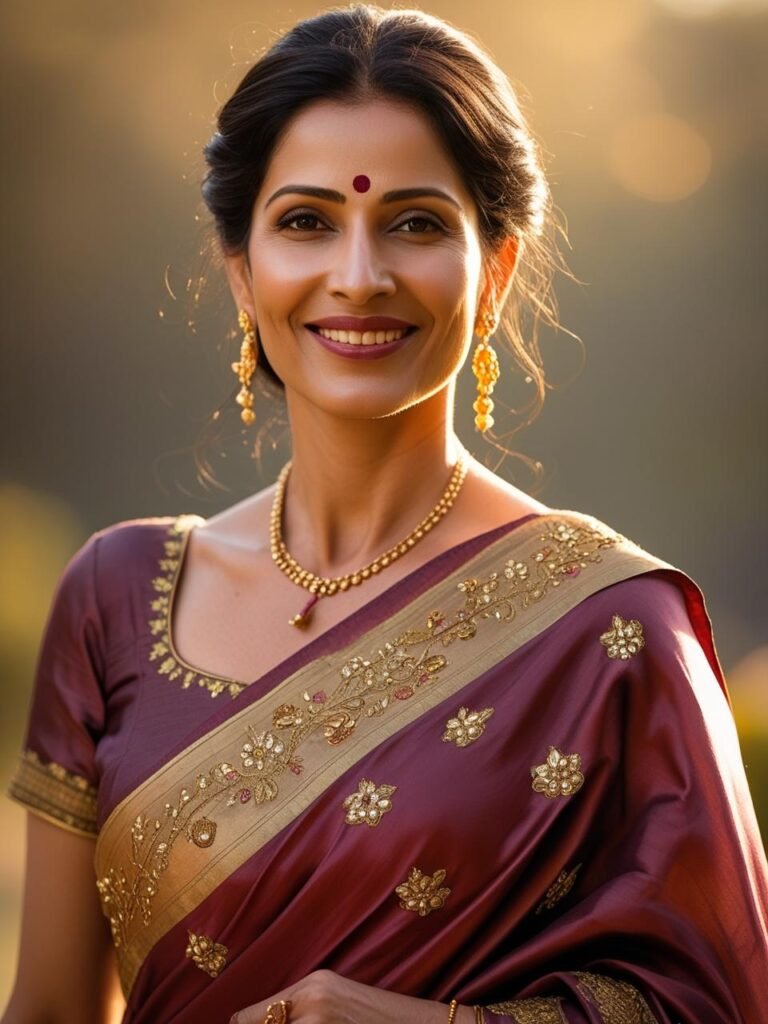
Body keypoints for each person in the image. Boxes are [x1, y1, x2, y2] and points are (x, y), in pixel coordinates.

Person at [3, 5, 767, 1023]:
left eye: (414, 222)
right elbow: (50, 1007)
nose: (358, 277)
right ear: (241, 267)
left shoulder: (611, 627)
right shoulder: (115, 593)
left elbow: (721, 1002)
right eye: (307, 221)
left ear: (493, 268)